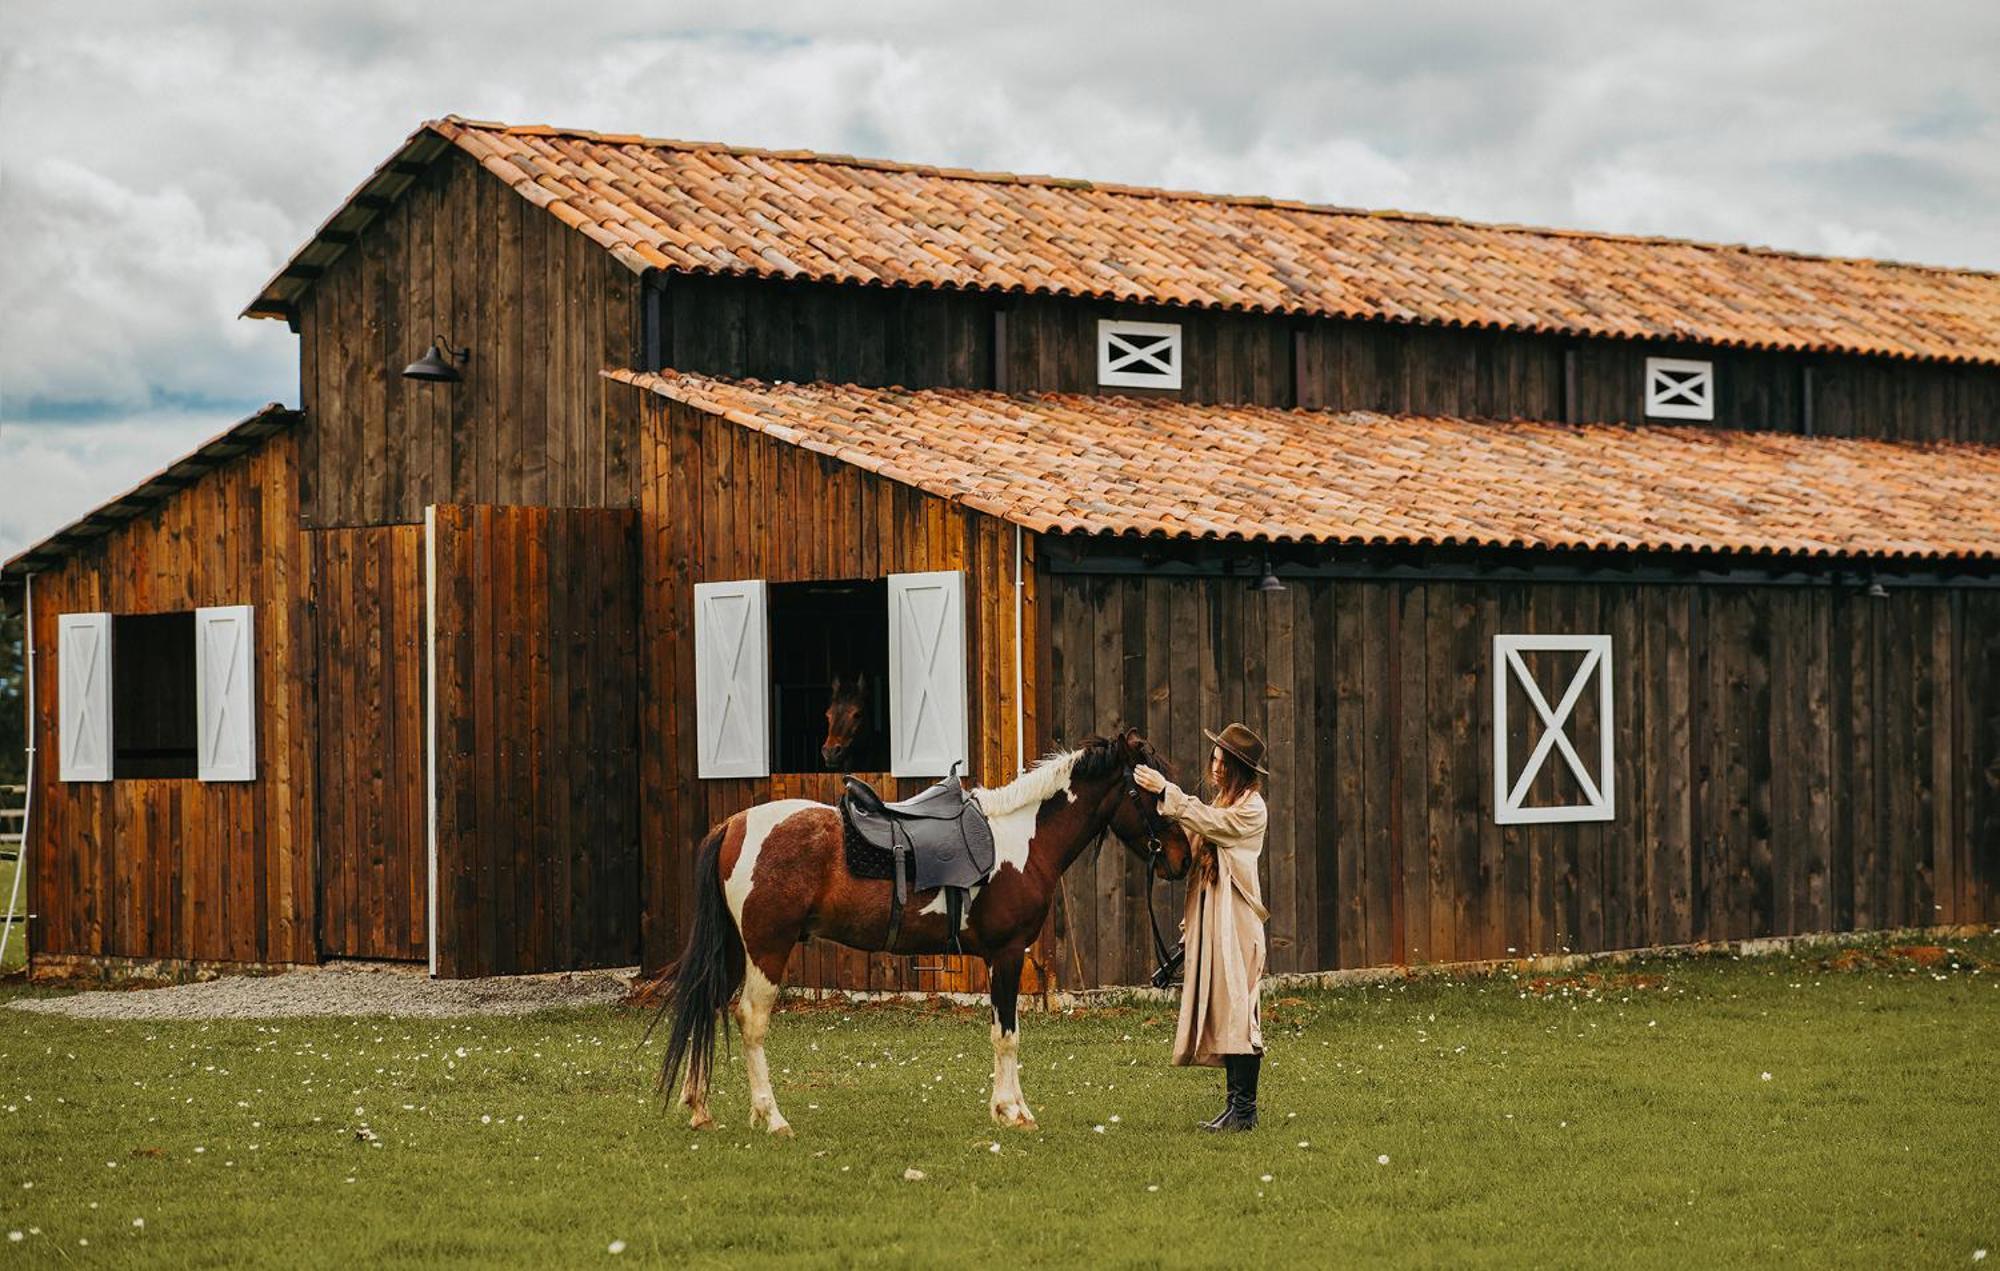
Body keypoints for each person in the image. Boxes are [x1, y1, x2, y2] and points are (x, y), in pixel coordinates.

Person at [1133, 723, 1271, 1132]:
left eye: (1220, 760)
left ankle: (1245, 1110)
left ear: (1236, 768)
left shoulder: (1249, 809)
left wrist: (1167, 792)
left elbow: (1212, 824)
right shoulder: (1223, 803)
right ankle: (1235, 1107)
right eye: (1214, 758)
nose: (1213, 766)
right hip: (1215, 923)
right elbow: (1194, 854)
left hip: (1237, 925)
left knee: (1241, 1014)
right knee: (1226, 1013)